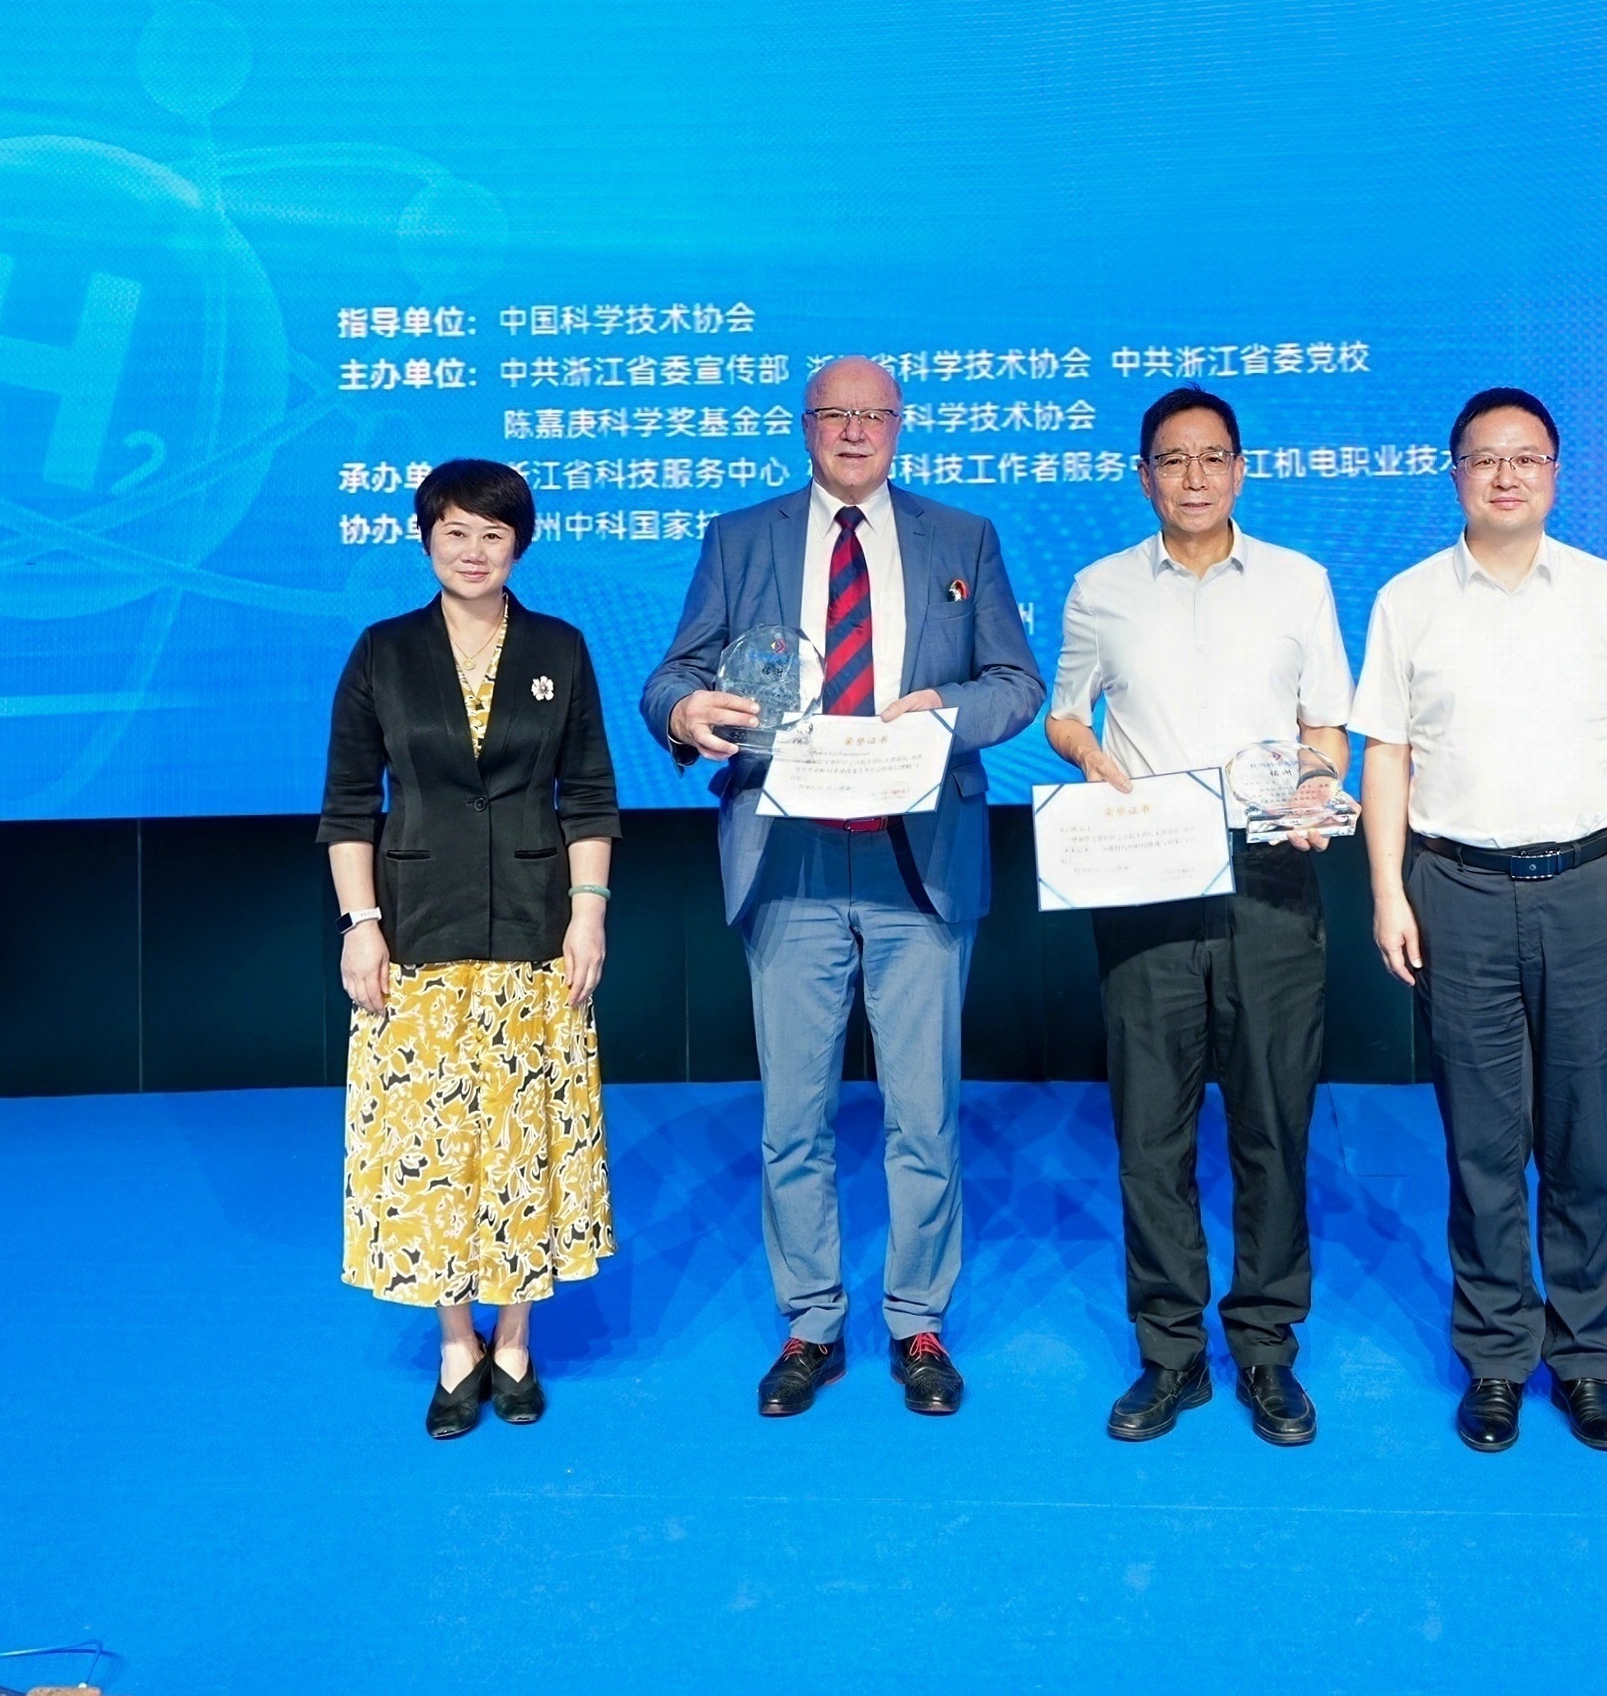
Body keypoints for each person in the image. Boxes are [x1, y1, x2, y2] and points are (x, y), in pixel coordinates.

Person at [640, 355, 1045, 1418]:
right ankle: (810, 1322)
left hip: (920, 859)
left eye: (875, 414)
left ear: (900, 426)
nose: (856, 431)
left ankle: (919, 1319)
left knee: (925, 1113)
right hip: (792, 859)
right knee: (794, 1114)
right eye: (835, 414)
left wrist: (944, 712)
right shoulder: (740, 537)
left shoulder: (963, 537)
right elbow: (675, 672)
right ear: (805, 425)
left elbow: (1017, 682)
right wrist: (683, 712)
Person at [1349, 388, 1607, 1455]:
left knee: (1583, 1137)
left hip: (1590, 886)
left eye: (1527, 456)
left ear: (1555, 472)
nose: (1506, 474)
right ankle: (1497, 1355)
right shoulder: (1408, 599)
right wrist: (1390, 890)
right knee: (1483, 1144)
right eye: (1484, 457)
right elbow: (1387, 755)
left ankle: (1585, 1361)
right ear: (1453, 471)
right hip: (1458, 889)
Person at [1046, 386, 1352, 1447]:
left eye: (1212, 457)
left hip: (1271, 869)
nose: (1193, 477)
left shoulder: (1300, 581)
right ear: (1144, 476)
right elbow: (1065, 712)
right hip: (1145, 867)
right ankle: (1170, 1352)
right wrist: (1092, 757)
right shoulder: (1100, 588)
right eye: (1172, 460)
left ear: (1240, 469)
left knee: (1274, 1118)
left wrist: (1317, 783)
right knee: (1151, 1130)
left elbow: (1327, 726)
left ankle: (1267, 1346)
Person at [320, 459, 623, 1440]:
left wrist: (588, 911)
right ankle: (457, 1342)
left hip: (535, 926)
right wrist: (361, 924)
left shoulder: (559, 647)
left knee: (525, 1138)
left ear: (519, 545)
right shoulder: (383, 650)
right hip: (418, 927)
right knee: (437, 1146)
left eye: (493, 533)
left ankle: (518, 1338)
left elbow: (588, 792)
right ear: (425, 538)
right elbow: (349, 804)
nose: (473, 549)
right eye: (454, 530)